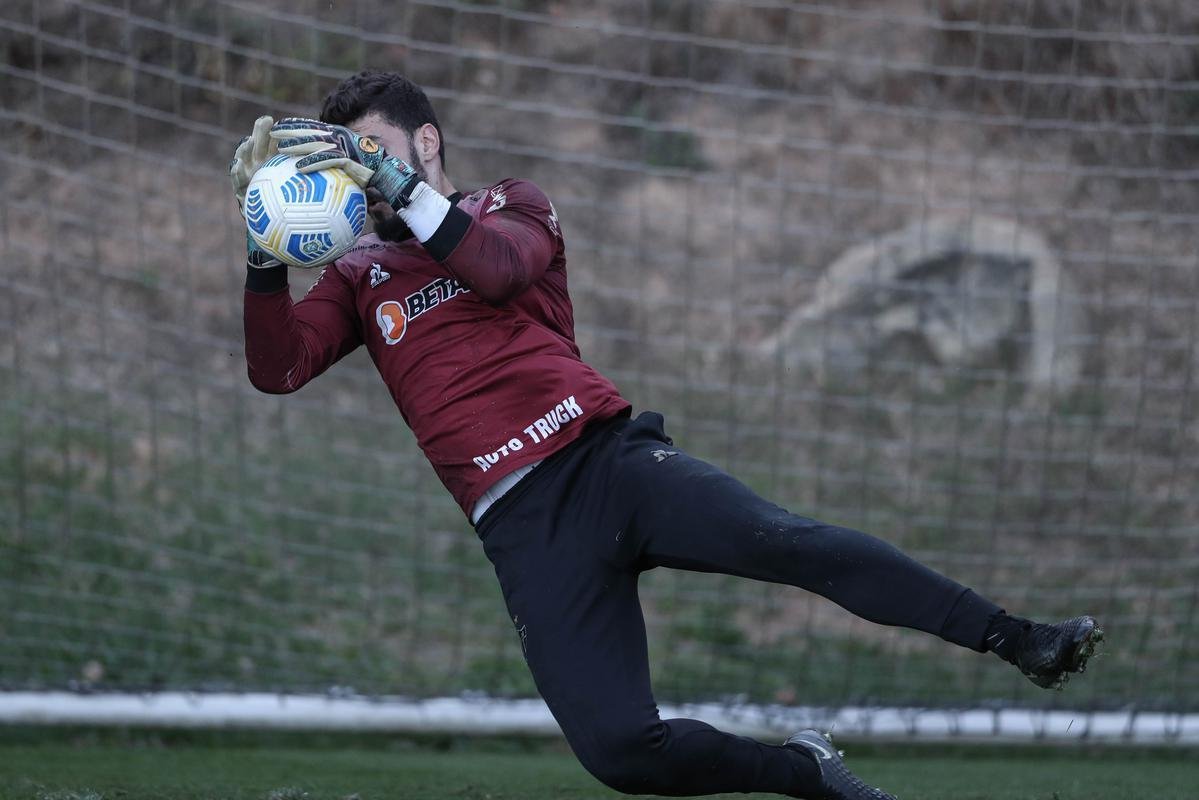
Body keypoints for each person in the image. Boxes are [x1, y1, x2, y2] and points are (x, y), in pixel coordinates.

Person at [231, 70, 1104, 800]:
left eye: (375, 150)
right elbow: (278, 369)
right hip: (521, 528)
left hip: (609, 465)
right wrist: (264, 250)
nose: (363, 174)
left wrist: (398, 187)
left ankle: (1015, 637)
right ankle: (801, 772)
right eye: (351, 162)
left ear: (425, 142)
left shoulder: (511, 206)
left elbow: (496, 273)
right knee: (619, 753)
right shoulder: (358, 276)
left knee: (789, 543)